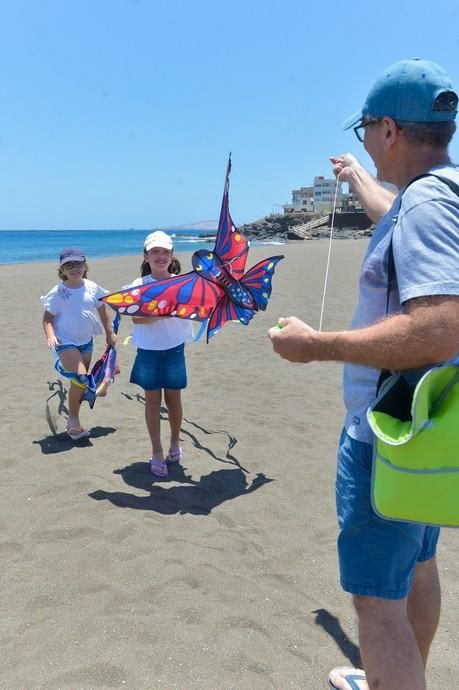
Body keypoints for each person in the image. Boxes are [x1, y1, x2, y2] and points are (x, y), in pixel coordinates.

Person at [269, 58, 459, 690]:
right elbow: (397, 213)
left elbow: (440, 325)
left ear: (387, 130)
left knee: (377, 605)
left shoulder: (428, 205)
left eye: (365, 138)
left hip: (388, 434)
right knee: (417, 568)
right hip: (431, 429)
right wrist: (354, 177)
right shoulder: (439, 192)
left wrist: (316, 345)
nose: (365, 148)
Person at [127, 230, 193, 478]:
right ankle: (156, 451)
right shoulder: (138, 285)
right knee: (152, 401)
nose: (160, 256)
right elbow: (137, 318)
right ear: (146, 256)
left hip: (175, 348)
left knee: (174, 400)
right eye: (155, 251)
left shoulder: (183, 281)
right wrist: (165, 313)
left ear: (172, 255)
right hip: (148, 350)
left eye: (165, 251)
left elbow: (194, 309)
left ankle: (175, 443)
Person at [41, 247, 117, 441]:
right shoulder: (59, 292)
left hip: (86, 342)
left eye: (78, 264)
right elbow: (47, 319)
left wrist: (110, 332)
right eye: (69, 265)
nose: (74, 268)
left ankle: (73, 420)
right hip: (64, 342)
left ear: (85, 266)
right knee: (81, 377)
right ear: (62, 270)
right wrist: (50, 336)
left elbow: (103, 311)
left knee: (78, 384)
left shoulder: (92, 287)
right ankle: (79, 412)